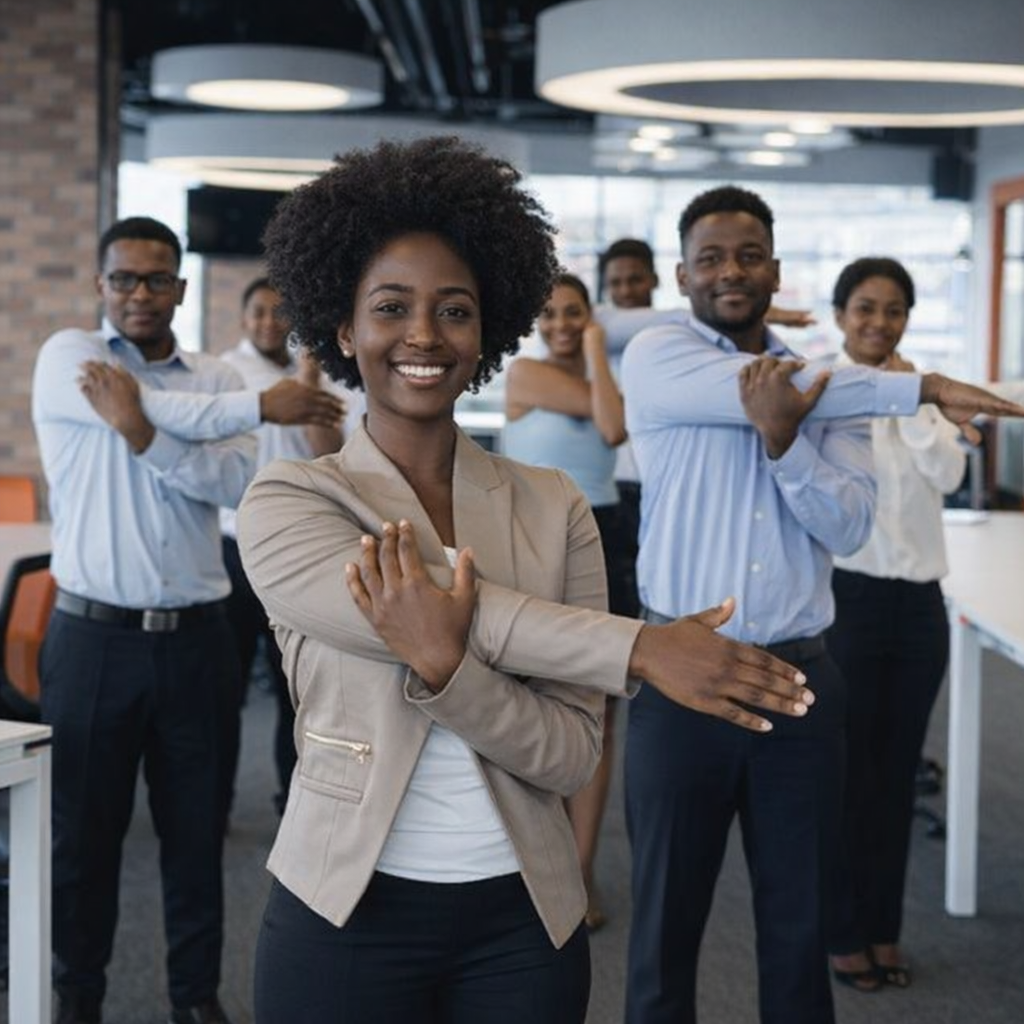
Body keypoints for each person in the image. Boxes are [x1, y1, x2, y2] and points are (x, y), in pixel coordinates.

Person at [233, 136, 816, 1024]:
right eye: (392, 307)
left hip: (519, 925)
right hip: (342, 910)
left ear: (489, 330)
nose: (424, 334)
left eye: (455, 310)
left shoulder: (555, 505)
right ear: (346, 329)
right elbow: (453, 612)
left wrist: (448, 667)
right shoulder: (291, 499)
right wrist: (641, 648)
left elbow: (572, 753)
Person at [618, 185, 1024, 1024]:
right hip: (682, 677)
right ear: (684, 275)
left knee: (799, 928)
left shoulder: (831, 397)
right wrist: (923, 387)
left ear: (775, 268)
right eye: (710, 258)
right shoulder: (661, 355)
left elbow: (846, 524)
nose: (730, 271)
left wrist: (783, 442)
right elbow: (772, 384)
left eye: (748, 255)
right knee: (664, 929)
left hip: (798, 683)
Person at [31, 215, 343, 1024]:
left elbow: (230, 485)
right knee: (82, 840)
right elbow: (210, 430)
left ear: (180, 286)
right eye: (124, 278)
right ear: (101, 287)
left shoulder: (208, 378)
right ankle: (78, 997)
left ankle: (195, 999)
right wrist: (254, 405)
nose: (140, 292)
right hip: (92, 638)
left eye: (157, 278)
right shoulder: (71, 357)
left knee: (196, 837)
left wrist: (140, 430)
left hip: (196, 644)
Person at [825, 257, 967, 991]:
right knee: (849, 778)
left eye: (893, 311)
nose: (878, 323)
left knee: (896, 781)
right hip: (847, 601)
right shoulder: (819, 387)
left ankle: (885, 929)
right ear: (841, 314)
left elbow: (950, 476)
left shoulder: (926, 395)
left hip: (918, 608)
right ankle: (845, 932)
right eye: (865, 309)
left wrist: (912, 401)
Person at [502, 272, 626, 931]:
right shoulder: (523, 373)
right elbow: (611, 421)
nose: (560, 324)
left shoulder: (606, 372)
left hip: (604, 539)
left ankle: (579, 870)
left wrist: (600, 348)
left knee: (594, 716)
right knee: (522, 705)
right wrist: (601, 354)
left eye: (573, 313)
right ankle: (521, 861)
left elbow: (612, 427)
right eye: (547, 313)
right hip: (530, 543)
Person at [219, 277, 346, 820]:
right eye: (258, 312)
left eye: (279, 311)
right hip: (232, 548)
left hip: (296, 551)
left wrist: (309, 377)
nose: (268, 322)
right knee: (224, 692)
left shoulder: (319, 376)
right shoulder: (225, 372)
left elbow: (331, 454)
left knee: (295, 688)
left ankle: (291, 802)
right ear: (243, 317)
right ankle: (213, 806)